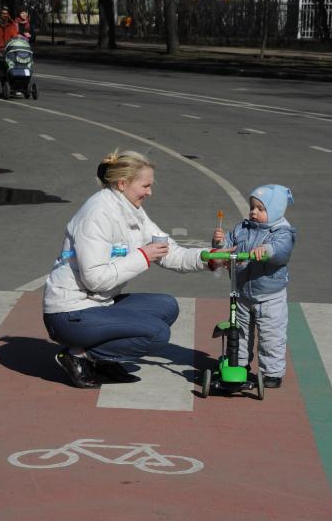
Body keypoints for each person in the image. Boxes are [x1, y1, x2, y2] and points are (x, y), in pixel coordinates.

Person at [43, 150, 208, 389]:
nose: (150, 192)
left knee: (166, 306)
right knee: (156, 334)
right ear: (122, 184)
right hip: (69, 313)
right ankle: (78, 356)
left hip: (98, 304)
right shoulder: (97, 214)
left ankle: (104, 362)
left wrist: (209, 258)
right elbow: (95, 279)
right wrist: (143, 256)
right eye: (145, 186)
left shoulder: (132, 209)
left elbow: (168, 250)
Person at [211, 184, 296, 388]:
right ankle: (239, 364)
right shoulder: (243, 228)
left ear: (274, 211)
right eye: (252, 207)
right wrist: (219, 244)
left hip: (270, 296)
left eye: (260, 209)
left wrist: (266, 250)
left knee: (271, 335)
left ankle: (272, 373)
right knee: (239, 330)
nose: (253, 212)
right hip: (241, 292)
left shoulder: (282, 231)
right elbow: (229, 246)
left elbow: (281, 250)